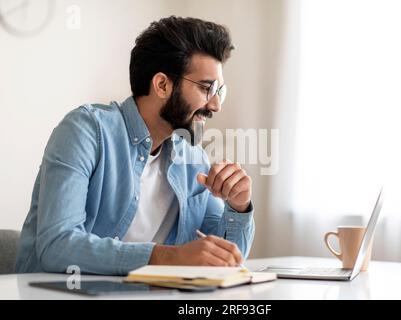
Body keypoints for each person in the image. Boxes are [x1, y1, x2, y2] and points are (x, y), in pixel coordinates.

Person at [15, 16, 255, 275]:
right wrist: (168, 258)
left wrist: (238, 206)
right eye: (207, 88)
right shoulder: (86, 131)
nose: (216, 105)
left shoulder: (192, 159)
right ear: (162, 84)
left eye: (219, 91)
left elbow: (226, 262)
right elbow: (58, 246)